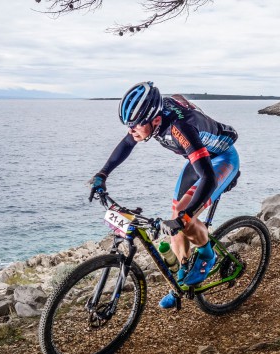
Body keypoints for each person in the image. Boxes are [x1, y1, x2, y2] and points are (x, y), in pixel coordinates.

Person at [89, 81, 240, 309]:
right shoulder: (151, 118)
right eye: (129, 125)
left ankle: (208, 256)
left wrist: (187, 216)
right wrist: (102, 174)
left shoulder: (181, 128)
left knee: (183, 217)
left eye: (135, 126)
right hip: (198, 159)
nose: (131, 131)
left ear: (156, 119)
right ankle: (181, 281)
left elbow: (208, 177)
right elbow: (128, 143)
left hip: (221, 161)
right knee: (175, 218)